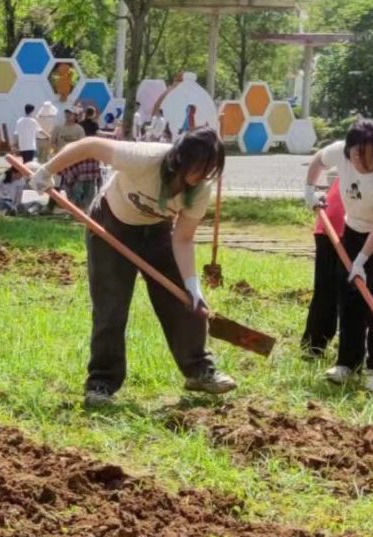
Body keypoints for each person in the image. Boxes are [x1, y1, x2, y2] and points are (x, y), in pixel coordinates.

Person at [27, 129, 236, 407]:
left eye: (211, 169)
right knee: (111, 307)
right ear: (181, 159)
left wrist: (192, 286)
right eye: (201, 167)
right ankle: (101, 383)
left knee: (184, 302)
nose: (204, 175)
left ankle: (200, 370)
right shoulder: (145, 158)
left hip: (157, 232)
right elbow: (90, 145)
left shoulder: (200, 190)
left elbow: (183, 238)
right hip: (111, 227)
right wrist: (48, 170)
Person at [303, 119, 373, 395]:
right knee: (348, 293)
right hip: (354, 227)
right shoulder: (340, 152)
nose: (364, 162)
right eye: (358, 155)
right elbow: (318, 160)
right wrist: (309, 189)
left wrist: (362, 260)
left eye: (371, 156)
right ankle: (348, 362)